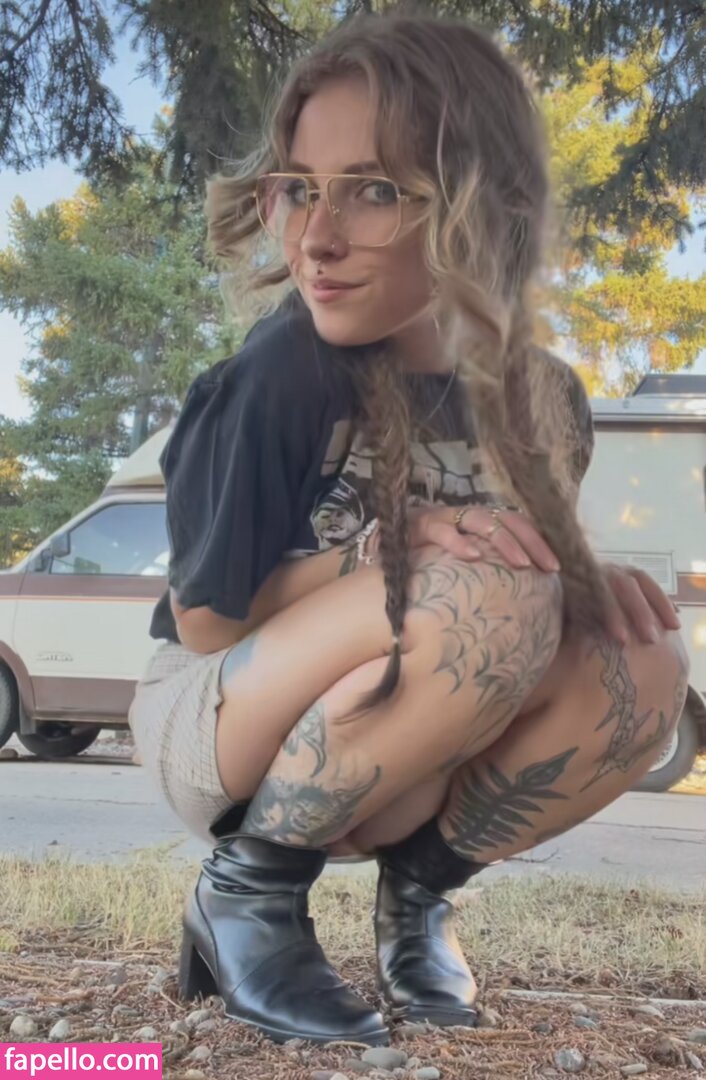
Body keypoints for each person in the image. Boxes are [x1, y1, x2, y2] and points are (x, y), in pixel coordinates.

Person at [128, 11, 688, 1048]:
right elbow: (203, 623)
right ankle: (247, 896)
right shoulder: (281, 373)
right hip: (217, 720)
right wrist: (390, 548)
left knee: (641, 650)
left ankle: (420, 897)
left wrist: (576, 582)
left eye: (375, 190)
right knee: (482, 588)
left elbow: (517, 590)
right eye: (300, 187)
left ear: (483, 205)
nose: (316, 236)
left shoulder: (543, 400)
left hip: (401, 746)